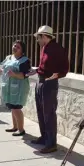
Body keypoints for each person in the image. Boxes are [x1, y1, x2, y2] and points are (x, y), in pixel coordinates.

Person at [28, 25, 69, 154]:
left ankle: (51, 144)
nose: (37, 40)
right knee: (41, 111)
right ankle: (44, 137)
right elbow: (44, 67)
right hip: (40, 82)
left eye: (38, 38)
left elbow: (65, 68)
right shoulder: (44, 48)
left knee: (49, 114)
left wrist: (58, 74)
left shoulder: (58, 49)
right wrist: (35, 71)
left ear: (44, 36)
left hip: (49, 84)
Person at [0, 40, 31, 136]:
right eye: (14, 45)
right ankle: (15, 127)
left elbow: (25, 75)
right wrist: (1, 71)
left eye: (18, 47)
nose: (14, 47)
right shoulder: (9, 58)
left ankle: (21, 130)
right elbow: (4, 68)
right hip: (9, 87)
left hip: (19, 88)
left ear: (22, 50)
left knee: (16, 108)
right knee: (12, 107)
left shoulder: (25, 61)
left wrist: (14, 74)